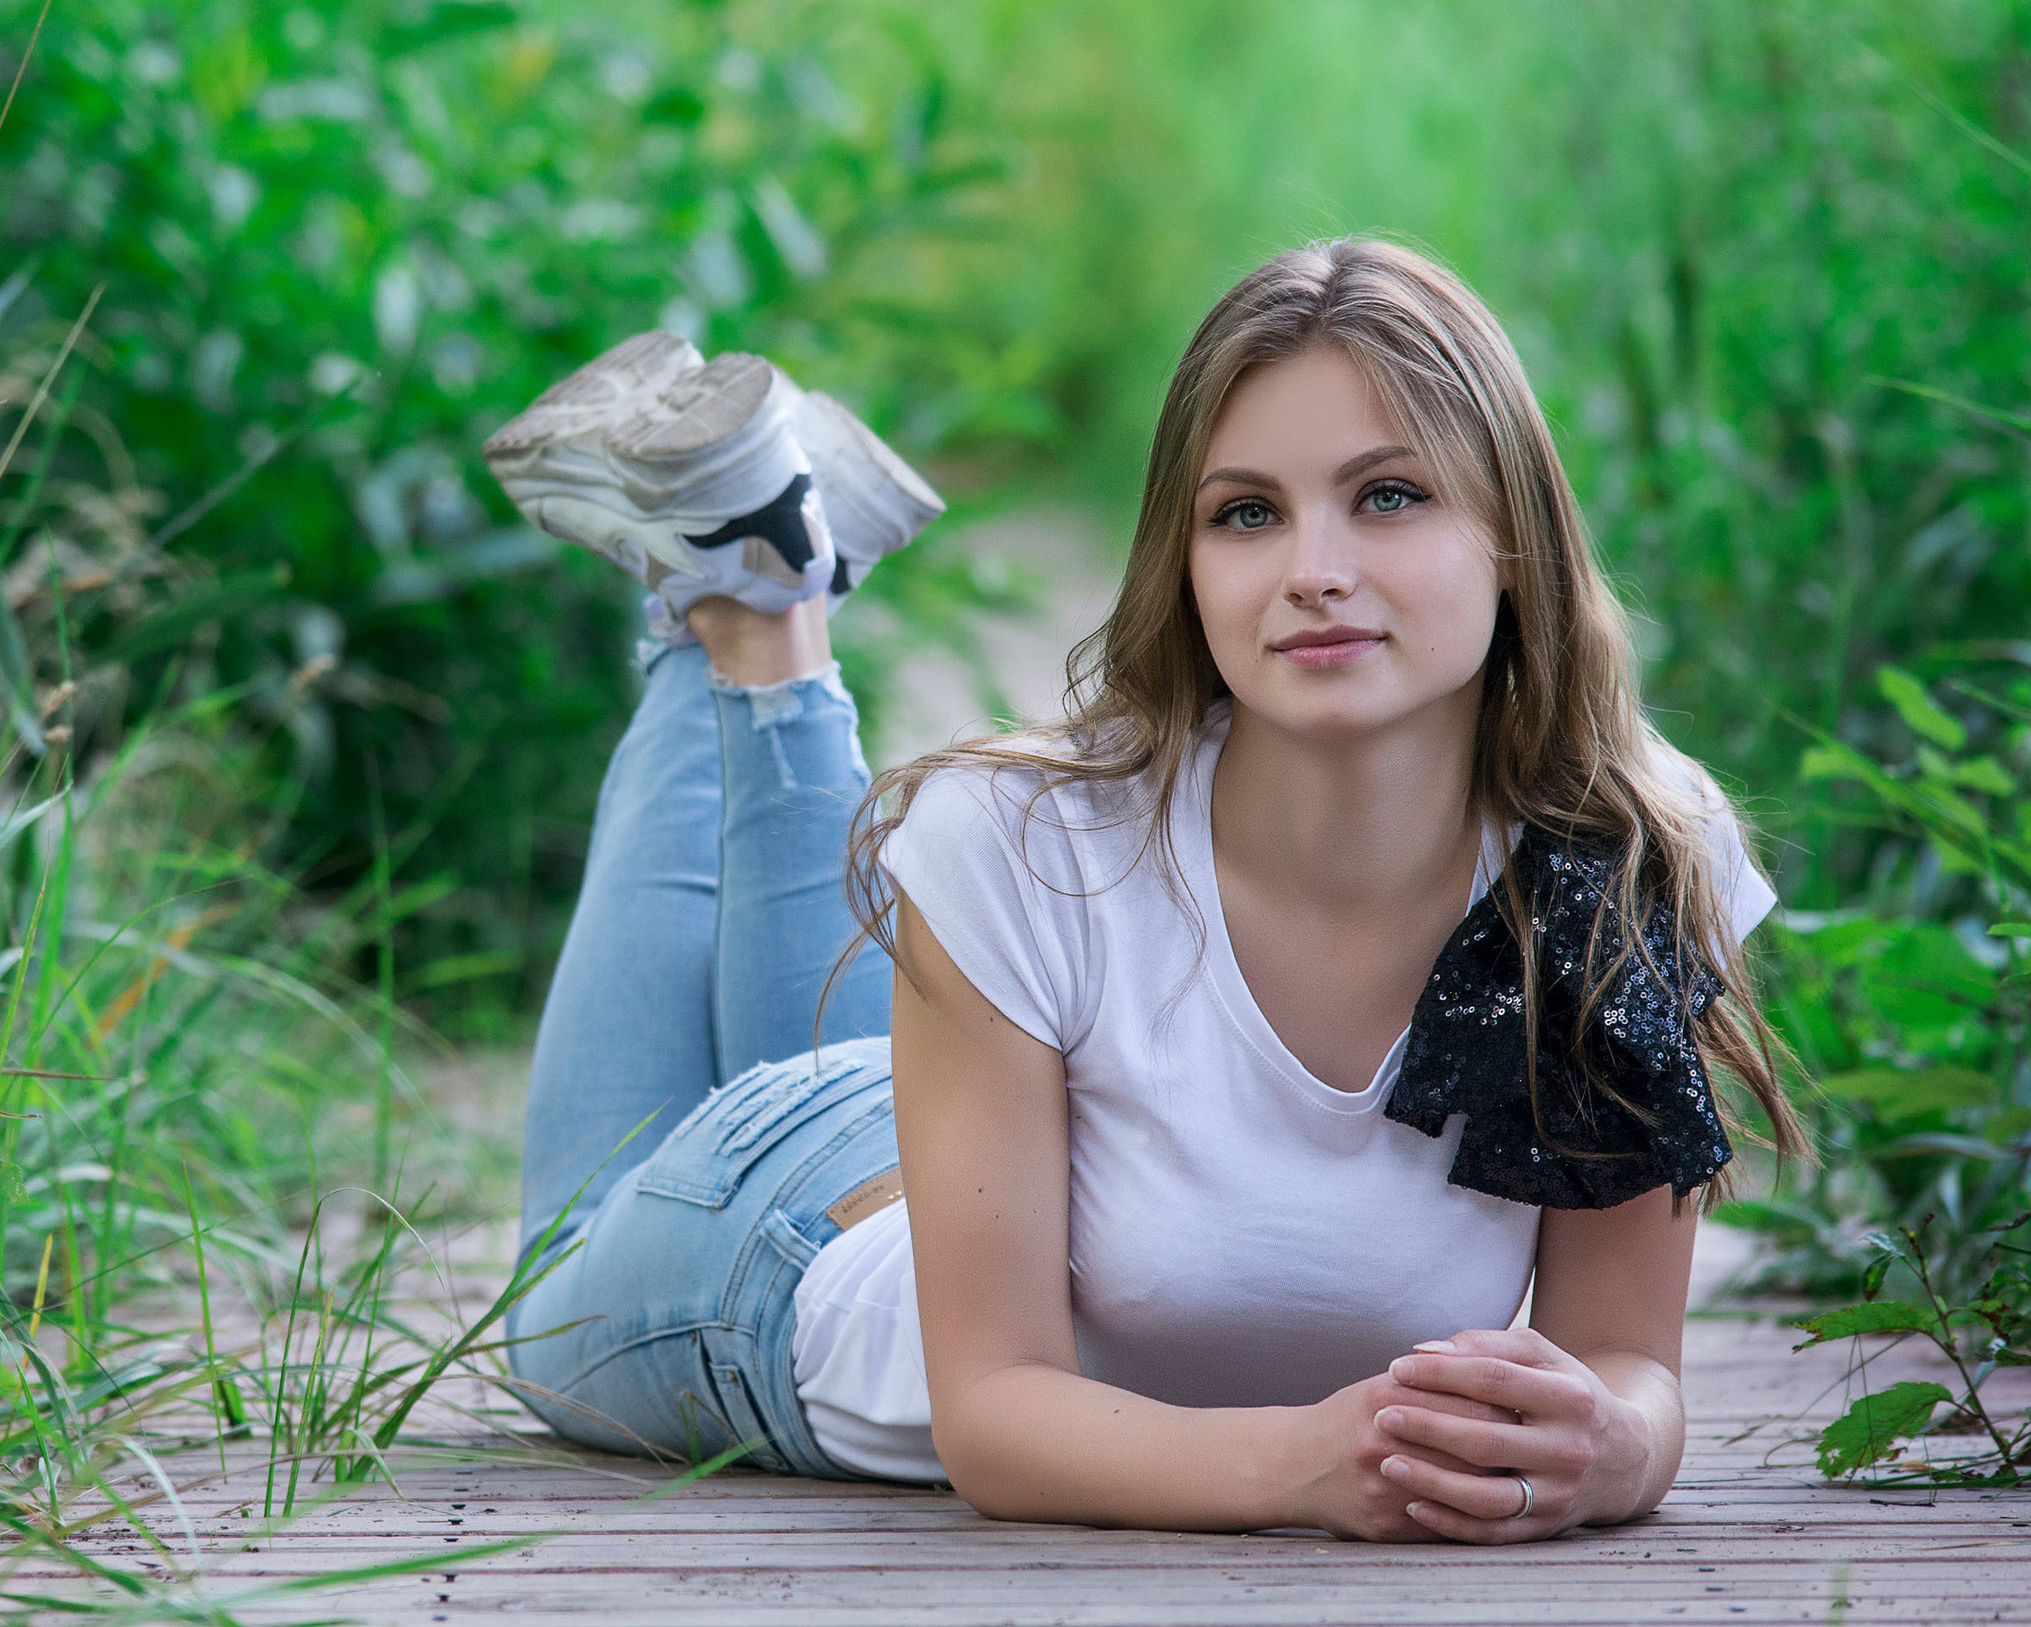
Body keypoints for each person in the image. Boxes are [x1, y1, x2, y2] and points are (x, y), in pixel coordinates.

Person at [481, 239, 1806, 1544]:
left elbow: (1630, 1367)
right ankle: (751, 599)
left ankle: (752, 552)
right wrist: (1301, 1462)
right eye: (1247, 513)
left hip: (978, 1139)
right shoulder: (1028, 842)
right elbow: (992, 1413)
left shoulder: (1623, 859)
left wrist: (1606, 1448)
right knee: (545, 1312)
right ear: (1186, 564)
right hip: (774, 1268)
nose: (1312, 570)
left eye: (1389, 496)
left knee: (840, 1049)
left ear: (1515, 539)